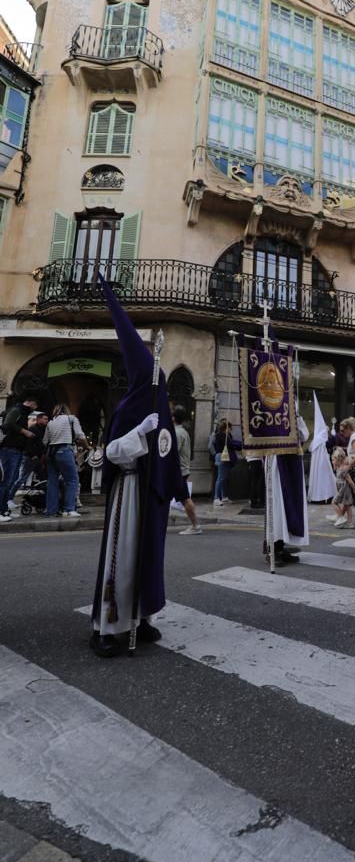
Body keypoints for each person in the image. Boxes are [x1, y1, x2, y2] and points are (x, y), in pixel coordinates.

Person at [90, 279, 186, 658]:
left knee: (148, 557)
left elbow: (166, 452)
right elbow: (113, 452)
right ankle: (106, 626)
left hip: (152, 496)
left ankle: (142, 617)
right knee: (124, 557)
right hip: (129, 491)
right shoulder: (131, 407)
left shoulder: (158, 404)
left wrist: (177, 484)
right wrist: (138, 434)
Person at [264, 411, 309, 567]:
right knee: (277, 506)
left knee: (289, 506)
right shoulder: (267, 414)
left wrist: (296, 418)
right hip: (276, 460)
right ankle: (272, 548)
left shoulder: (294, 414)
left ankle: (280, 546)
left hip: (292, 460)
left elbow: (304, 435)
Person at [43, 404, 87, 518]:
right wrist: (87, 446)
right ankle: (69, 509)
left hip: (50, 453)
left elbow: (45, 441)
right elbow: (80, 435)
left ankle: (51, 510)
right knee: (72, 480)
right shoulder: (71, 418)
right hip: (64, 450)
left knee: (52, 481)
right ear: (67, 410)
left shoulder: (50, 422)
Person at [0, 395, 39, 522]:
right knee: (6, 481)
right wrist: (25, 432)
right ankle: (1, 511)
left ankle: (5, 510)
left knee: (11, 480)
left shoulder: (22, 412)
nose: (35, 409)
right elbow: (8, 424)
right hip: (10, 449)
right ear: (31, 403)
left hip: (16, 450)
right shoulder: (17, 410)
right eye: (35, 406)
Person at [172, 406, 202, 535]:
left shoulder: (177, 433)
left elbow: (172, 452)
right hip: (180, 470)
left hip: (178, 471)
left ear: (173, 418)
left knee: (185, 499)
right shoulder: (181, 431)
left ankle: (195, 526)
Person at [307, 392, 336, 503]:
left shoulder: (317, 440)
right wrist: (333, 436)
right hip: (323, 464)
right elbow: (330, 443)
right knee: (326, 479)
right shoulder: (321, 440)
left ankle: (319, 496)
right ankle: (325, 496)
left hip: (320, 464)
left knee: (321, 479)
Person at [331, 446, 355, 528]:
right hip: (342, 489)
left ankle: (340, 517)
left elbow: (349, 480)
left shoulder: (343, 469)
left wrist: (354, 488)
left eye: (333, 460)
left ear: (338, 460)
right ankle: (350, 523)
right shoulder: (338, 467)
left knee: (334, 502)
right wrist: (334, 464)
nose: (332, 462)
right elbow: (334, 468)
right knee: (347, 506)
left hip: (344, 489)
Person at [212, 418, 228, 506]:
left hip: (219, 455)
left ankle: (220, 497)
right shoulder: (222, 436)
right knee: (220, 478)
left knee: (221, 477)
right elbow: (228, 444)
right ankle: (216, 498)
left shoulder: (218, 435)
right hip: (221, 456)